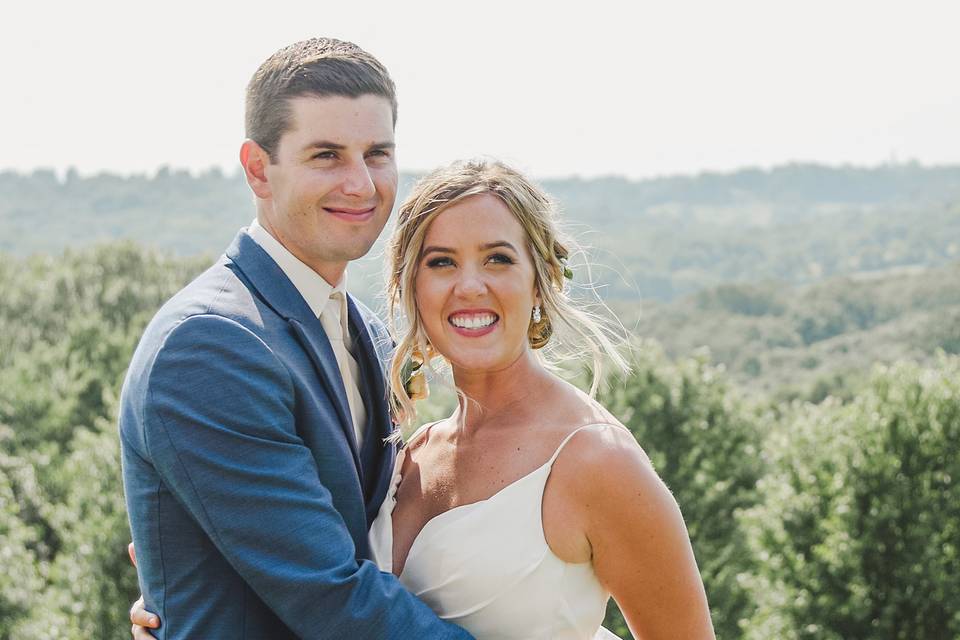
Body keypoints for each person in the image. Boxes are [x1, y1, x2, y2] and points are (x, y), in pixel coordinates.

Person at [131, 160, 717, 639]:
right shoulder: (407, 454)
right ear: (411, 287)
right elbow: (323, 595)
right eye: (441, 263)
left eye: (498, 259)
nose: (469, 285)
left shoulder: (597, 461)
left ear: (539, 282)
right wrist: (195, 610)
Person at [119, 38, 473, 639]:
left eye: (377, 153)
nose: (361, 184)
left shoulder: (368, 331)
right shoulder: (209, 345)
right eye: (327, 156)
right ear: (258, 169)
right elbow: (331, 594)